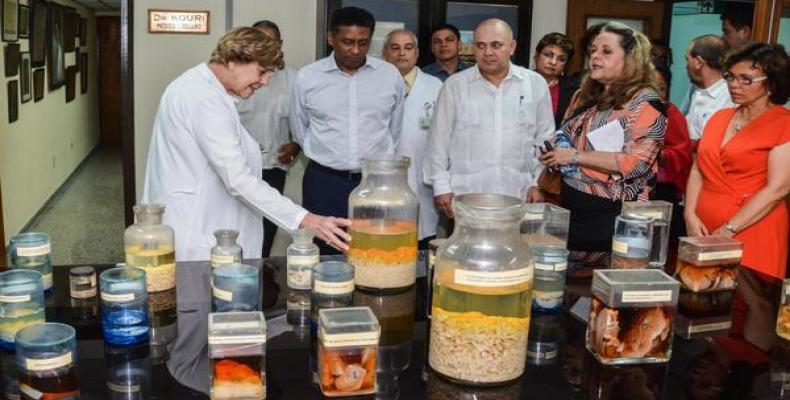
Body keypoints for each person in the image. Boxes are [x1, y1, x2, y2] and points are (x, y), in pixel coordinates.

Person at [141, 27, 351, 262]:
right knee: (198, 296)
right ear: (233, 61)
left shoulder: (202, 88)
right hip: (198, 231)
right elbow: (237, 179)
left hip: (204, 223)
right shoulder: (204, 98)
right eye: (261, 72)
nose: (263, 82)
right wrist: (306, 219)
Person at [684, 43, 790, 352]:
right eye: (732, 76)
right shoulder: (720, 117)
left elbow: (778, 188)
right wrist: (690, 214)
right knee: (705, 308)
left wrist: (729, 230)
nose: (734, 84)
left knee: (754, 306)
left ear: (772, 84)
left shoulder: (783, 124)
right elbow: (697, 169)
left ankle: (749, 367)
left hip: (753, 231)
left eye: (747, 79)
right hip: (703, 228)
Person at [538, 22, 666, 273]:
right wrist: (559, 153)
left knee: (606, 300)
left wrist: (574, 156)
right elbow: (563, 131)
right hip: (572, 209)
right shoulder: (584, 94)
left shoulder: (646, 103)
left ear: (630, 58)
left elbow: (635, 164)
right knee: (563, 295)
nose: (595, 56)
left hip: (615, 220)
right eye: (594, 50)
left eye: (606, 51)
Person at [293, 7, 404, 254]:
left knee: (375, 250)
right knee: (326, 254)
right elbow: (300, 129)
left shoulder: (389, 76)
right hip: (324, 181)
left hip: (375, 182)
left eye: (363, 43)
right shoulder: (308, 78)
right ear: (331, 38)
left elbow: (394, 129)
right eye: (348, 42)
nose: (355, 50)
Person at [426, 18, 554, 221]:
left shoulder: (534, 84)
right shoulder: (455, 85)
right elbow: (438, 142)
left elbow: (545, 140)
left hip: (519, 198)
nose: (488, 53)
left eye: (496, 45)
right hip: (465, 200)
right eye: (481, 46)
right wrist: (441, 188)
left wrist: (538, 184)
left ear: (511, 47)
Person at [236, 20, 300, 257]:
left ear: (280, 44)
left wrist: (297, 145)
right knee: (237, 226)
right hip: (239, 167)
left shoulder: (295, 78)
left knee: (267, 229)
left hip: (274, 166)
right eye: (259, 40)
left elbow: (305, 121)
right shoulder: (237, 78)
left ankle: (260, 276)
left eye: (271, 41)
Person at [382, 29, 443, 248]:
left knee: (422, 242)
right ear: (385, 53)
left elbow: (445, 137)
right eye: (395, 47)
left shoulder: (436, 86)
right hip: (384, 177)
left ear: (417, 53)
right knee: (384, 242)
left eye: (408, 48)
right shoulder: (374, 85)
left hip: (422, 179)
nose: (402, 53)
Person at [651, 60, 692, 266]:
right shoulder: (627, 112)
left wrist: (654, 153)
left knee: (661, 251)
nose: (655, 94)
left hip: (663, 190)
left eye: (660, 88)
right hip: (630, 188)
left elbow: (682, 154)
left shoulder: (671, 112)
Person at [684, 35, 733, 146]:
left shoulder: (729, 96)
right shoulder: (697, 92)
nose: (686, 66)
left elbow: (717, 142)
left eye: (687, 59)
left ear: (699, 63)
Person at [533, 32, 579, 129]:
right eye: (548, 55)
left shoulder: (574, 89)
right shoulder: (521, 82)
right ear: (537, 56)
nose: (553, 62)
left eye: (561, 59)